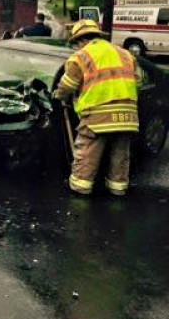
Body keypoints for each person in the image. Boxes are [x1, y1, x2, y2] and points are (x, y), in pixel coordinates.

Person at [52, 19, 139, 197]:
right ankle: (118, 188)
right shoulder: (125, 54)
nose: (77, 47)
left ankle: (80, 187)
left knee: (88, 152)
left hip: (98, 115)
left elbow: (68, 85)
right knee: (120, 155)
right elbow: (136, 81)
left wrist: (58, 95)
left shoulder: (82, 56)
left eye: (76, 44)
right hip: (128, 115)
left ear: (80, 40)